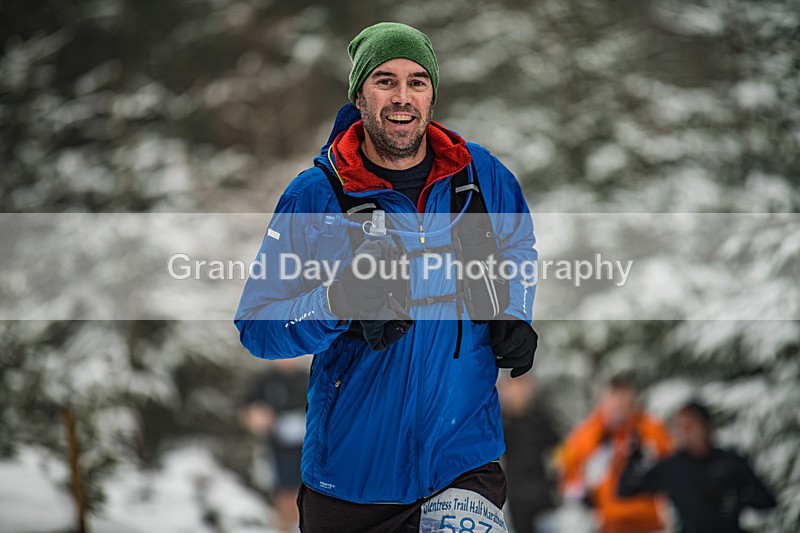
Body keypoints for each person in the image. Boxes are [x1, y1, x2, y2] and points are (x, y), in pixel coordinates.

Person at [235, 22, 539, 532]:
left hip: (461, 462)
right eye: (386, 80)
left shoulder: (479, 175)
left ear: (432, 96)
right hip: (353, 479)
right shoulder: (316, 194)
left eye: (417, 81)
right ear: (359, 95)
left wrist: (514, 312)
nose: (403, 96)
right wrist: (336, 301)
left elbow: (519, 247)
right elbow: (258, 325)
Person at [618, 400, 777, 533]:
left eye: (689, 427)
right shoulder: (671, 467)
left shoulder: (730, 461)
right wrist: (634, 462)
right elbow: (625, 491)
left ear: (705, 427)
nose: (682, 433)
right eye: (679, 427)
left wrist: (738, 498)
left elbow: (767, 501)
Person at [556, 374, 672, 533]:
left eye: (625, 400)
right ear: (604, 400)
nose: (620, 407)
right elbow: (566, 471)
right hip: (608, 522)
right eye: (615, 399)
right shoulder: (588, 433)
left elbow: (671, 466)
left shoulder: (650, 428)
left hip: (650, 520)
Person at [238, 358, 308, 532]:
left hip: (308, 449)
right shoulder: (265, 381)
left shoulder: (310, 378)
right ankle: (285, 526)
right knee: (284, 493)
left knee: (306, 492)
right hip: (278, 451)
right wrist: (257, 417)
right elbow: (245, 412)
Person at [498, 373, 560, 533]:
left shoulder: (543, 419)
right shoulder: (500, 422)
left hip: (544, 495)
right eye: (513, 385)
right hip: (513, 497)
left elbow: (559, 452)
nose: (518, 391)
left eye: (521, 384)